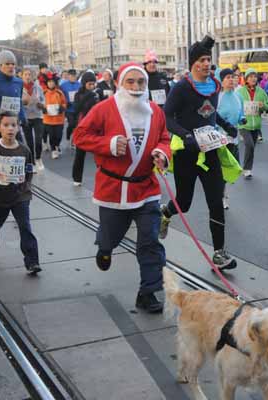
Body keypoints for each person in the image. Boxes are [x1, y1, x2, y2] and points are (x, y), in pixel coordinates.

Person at [73, 62, 171, 313]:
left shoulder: (154, 111)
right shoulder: (104, 108)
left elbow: (163, 137)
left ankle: (148, 291)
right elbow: (80, 136)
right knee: (111, 235)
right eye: (131, 82)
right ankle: (104, 247)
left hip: (146, 188)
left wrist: (161, 152)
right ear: (119, 83)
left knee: (150, 241)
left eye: (141, 82)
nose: (136, 87)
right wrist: (108, 143)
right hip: (113, 189)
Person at [161, 35, 240, 271]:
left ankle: (219, 252)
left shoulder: (214, 86)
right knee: (183, 202)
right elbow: (165, 117)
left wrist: (225, 125)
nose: (207, 64)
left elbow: (211, 113)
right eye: (203, 60)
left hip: (211, 151)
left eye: (209, 59)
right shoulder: (182, 87)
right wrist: (186, 136)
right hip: (187, 153)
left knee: (215, 201)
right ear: (194, 63)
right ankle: (165, 212)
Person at [0, 111, 41, 275]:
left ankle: (32, 261)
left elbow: (29, 170)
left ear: (18, 127)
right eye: (6, 125)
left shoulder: (24, 150)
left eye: (14, 125)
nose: (10, 129)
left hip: (20, 196)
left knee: (25, 227)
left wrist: (26, 186)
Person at [217, 68, 245, 209]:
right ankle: (221, 196)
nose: (231, 80)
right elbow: (212, 117)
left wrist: (243, 119)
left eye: (233, 77)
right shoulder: (217, 97)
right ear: (221, 81)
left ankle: (222, 193)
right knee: (221, 170)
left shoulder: (238, 96)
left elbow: (241, 113)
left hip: (233, 137)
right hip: (218, 139)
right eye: (227, 77)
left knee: (230, 169)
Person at [237, 68, 268, 179]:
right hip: (244, 124)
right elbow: (235, 105)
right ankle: (246, 169)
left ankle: (248, 168)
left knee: (251, 148)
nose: (253, 79)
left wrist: (263, 106)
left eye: (255, 76)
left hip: (256, 125)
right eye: (250, 77)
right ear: (246, 79)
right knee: (249, 145)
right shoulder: (240, 92)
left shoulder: (261, 91)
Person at [71, 71, 100, 186]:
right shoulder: (79, 94)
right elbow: (77, 108)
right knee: (80, 153)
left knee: (99, 152)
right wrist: (88, 95)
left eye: (93, 84)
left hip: (96, 126)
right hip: (83, 125)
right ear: (84, 84)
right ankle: (77, 178)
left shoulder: (97, 94)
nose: (92, 87)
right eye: (89, 84)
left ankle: (102, 175)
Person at [21, 68, 46, 171]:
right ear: (22, 76)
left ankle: (39, 158)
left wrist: (41, 104)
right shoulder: (19, 88)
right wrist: (23, 102)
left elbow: (43, 100)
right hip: (26, 116)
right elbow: (17, 101)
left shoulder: (38, 87)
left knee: (38, 139)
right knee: (29, 141)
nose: (28, 77)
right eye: (26, 74)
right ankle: (32, 162)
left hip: (37, 115)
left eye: (30, 75)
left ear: (33, 76)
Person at [41, 72, 67, 159]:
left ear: (55, 83)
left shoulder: (59, 93)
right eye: (49, 82)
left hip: (59, 118)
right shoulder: (44, 93)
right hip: (48, 119)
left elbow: (64, 102)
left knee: (59, 135)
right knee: (51, 135)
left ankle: (57, 145)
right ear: (47, 83)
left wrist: (62, 108)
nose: (51, 83)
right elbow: (40, 103)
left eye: (52, 82)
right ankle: (53, 150)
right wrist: (43, 108)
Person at [60, 69, 81, 146]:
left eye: (74, 76)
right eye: (71, 76)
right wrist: (65, 102)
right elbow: (60, 96)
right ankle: (68, 135)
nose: (73, 77)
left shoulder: (79, 85)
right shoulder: (63, 85)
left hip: (77, 108)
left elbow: (82, 95)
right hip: (69, 109)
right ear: (68, 76)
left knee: (77, 125)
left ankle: (74, 140)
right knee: (71, 124)